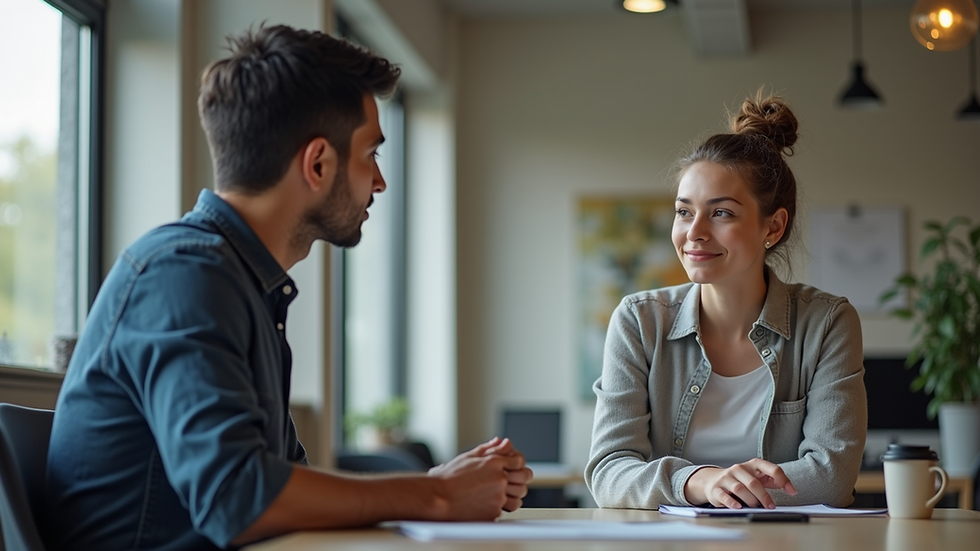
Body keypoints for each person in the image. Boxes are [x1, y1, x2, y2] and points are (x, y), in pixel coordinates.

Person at [44, 25, 532, 551]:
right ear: (318, 163)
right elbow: (239, 498)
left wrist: (442, 485)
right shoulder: (185, 275)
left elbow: (280, 487)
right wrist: (433, 495)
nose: (380, 182)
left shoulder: (244, 284)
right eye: (372, 155)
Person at [585, 91, 867, 511]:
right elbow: (608, 472)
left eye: (721, 213)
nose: (694, 232)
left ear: (773, 226)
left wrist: (722, 492)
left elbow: (831, 478)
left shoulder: (826, 323)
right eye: (684, 212)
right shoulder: (639, 321)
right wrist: (700, 482)